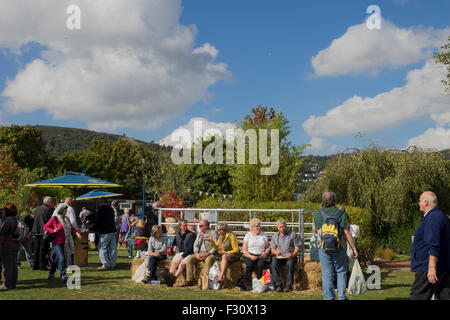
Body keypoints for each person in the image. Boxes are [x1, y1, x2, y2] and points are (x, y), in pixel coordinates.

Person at [314, 191, 358, 300]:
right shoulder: (341, 214)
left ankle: (329, 298)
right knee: (341, 272)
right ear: (334, 201)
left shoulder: (317, 214)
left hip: (323, 247)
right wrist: (354, 248)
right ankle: (342, 297)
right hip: (339, 246)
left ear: (323, 200)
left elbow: (316, 231)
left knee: (327, 274)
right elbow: (347, 233)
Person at [410, 191, 450, 300]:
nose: (418, 203)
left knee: (417, 296)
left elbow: (434, 244)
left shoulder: (432, 218)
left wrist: (431, 268)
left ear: (426, 202)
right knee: (445, 296)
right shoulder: (441, 216)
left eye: (419, 201)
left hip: (427, 268)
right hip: (443, 268)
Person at [44, 203, 82, 282]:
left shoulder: (67, 219)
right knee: (61, 258)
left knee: (57, 259)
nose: (66, 211)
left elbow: (72, 228)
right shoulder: (55, 218)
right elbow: (45, 227)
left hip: (66, 241)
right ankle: (63, 275)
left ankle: (51, 274)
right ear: (61, 210)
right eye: (65, 209)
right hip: (57, 242)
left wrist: (77, 233)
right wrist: (53, 230)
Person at [182, 219, 217, 287]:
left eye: (200, 226)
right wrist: (196, 253)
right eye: (199, 226)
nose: (199, 227)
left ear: (206, 226)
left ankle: (204, 281)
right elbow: (195, 245)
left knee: (208, 260)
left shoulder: (213, 233)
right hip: (200, 253)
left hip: (210, 254)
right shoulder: (200, 233)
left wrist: (207, 254)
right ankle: (189, 280)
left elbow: (215, 247)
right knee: (189, 260)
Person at [206, 222, 241, 289]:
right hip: (224, 256)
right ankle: (224, 282)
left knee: (224, 257)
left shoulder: (232, 236)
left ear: (223, 230)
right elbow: (216, 248)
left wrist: (226, 252)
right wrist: (212, 242)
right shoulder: (221, 237)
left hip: (234, 255)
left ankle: (221, 276)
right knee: (223, 259)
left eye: (218, 230)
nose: (218, 232)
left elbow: (236, 250)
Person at [270, 219, 302, 292]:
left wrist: (293, 254)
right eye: (280, 227)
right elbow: (272, 249)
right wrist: (276, 252)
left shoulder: (292, 234)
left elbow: (297, 247)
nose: (282, 228)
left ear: (286, 226)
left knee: (290, 264)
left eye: (283, 226)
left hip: (290, 256)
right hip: (279, 256)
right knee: (274, 263)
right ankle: (278, 285)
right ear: (277, 227)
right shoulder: (275, 235)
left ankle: (288, 285)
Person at [32, 196, 57, 270]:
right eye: (52, 202)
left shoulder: (37, 209)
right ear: (48, 202)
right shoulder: (49, 210)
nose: (53, 204)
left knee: (37, 249)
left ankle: (35, 265)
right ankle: (42, 266)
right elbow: (51, 221)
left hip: (36, 231)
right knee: (43, 249)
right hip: (44, 232)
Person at [0, 203, 21, 290]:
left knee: (8, 265)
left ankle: (7, 284)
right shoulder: (16, 219)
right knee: (13, 264)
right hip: (16, 243)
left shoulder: (8, 221)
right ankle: (13, 284)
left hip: (8, 243)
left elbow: (2, 232)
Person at [95, 198, 118, 270]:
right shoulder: (111, 209)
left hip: (105, 231)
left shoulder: (102, 209)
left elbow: (98, 220)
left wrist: (92, 228)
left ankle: (106, 264)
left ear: (100, 203)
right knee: (113, 248)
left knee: (102, 247)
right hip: (113, 230)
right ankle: (112, 264)